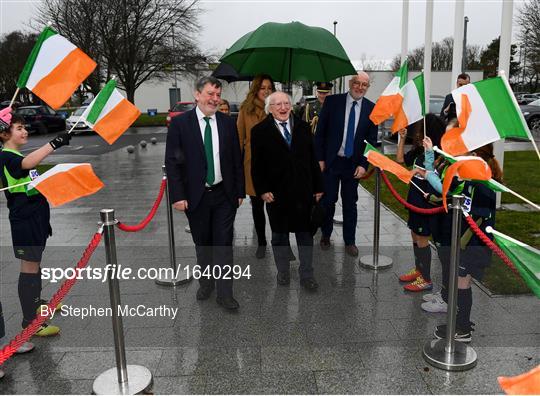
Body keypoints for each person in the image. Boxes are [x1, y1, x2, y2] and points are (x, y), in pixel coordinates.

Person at [165, 76, 245, 311]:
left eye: (218, 95)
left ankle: (225, 293)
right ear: (197, 95)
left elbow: (236, 161)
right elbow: (172, 163)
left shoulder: (228, 123)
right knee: (203, 243)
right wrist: (178, 196)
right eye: (210, 94)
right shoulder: (181, 124)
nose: (215, 99)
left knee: (223, 244)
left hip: (224, 195)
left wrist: (239, 191)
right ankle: (206, 282)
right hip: (195, 196)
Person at [0, 108, 71, 359]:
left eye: (24, 127)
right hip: (25, 222)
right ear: (4, 133)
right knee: (28, 269)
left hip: (36, 220)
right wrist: (54, 143)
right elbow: (27, 164)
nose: (25, 130)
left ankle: (38, 305)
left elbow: (31, 178)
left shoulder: (14, 153)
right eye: (18, 127)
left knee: (35, 266)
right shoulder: (7, 156)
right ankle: (31, 322)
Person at [251, 91, 323, 290]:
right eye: (277, 104)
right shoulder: (259, 131)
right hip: (277, 194)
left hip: (303, 192)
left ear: (291, 106)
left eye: (286, 103)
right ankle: (282, 272)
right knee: (279, 236)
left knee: (305, 235)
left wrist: (318, 187)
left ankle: (307, 274)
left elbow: (312, 159)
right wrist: (262, 190)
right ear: (269, 108)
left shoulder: (303, 127)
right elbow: (256, 166)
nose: (283, 108)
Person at [314, 71, 378, 256]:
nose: (360, 87)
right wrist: (320, 159)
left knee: (350, 203)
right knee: (329, 201)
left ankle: (350, 241)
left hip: (353, 165)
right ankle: (326, 235)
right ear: (350, 83)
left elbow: (371, 141)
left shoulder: (371, 109)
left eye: (364, 84)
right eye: (356, 83)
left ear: (368, 87)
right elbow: (320, 134)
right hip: (332, 162)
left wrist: (363, 164)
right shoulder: (333, 102)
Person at [238, 74, 294, 260]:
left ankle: (283, 244)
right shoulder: (246, 110)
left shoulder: (279, 107)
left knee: (280, 207)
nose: (266, 91)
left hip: (277, 167)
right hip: (253, 165)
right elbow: (239, 139)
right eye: (262, 87)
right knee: (257, 207)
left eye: (269, 87)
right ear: (256, 89)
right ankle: (261, 242)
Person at [395, 114, 446, 292]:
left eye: (421, 131)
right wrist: (401, 139)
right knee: (415, 235)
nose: (417, 134)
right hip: (414, 198)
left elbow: (437, 179)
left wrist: (420, 171)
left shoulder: (439, 154)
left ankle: (426, 278)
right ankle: (419, 269)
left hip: (426, 202)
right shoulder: (419, 150)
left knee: (423, 237)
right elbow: (401, 160)